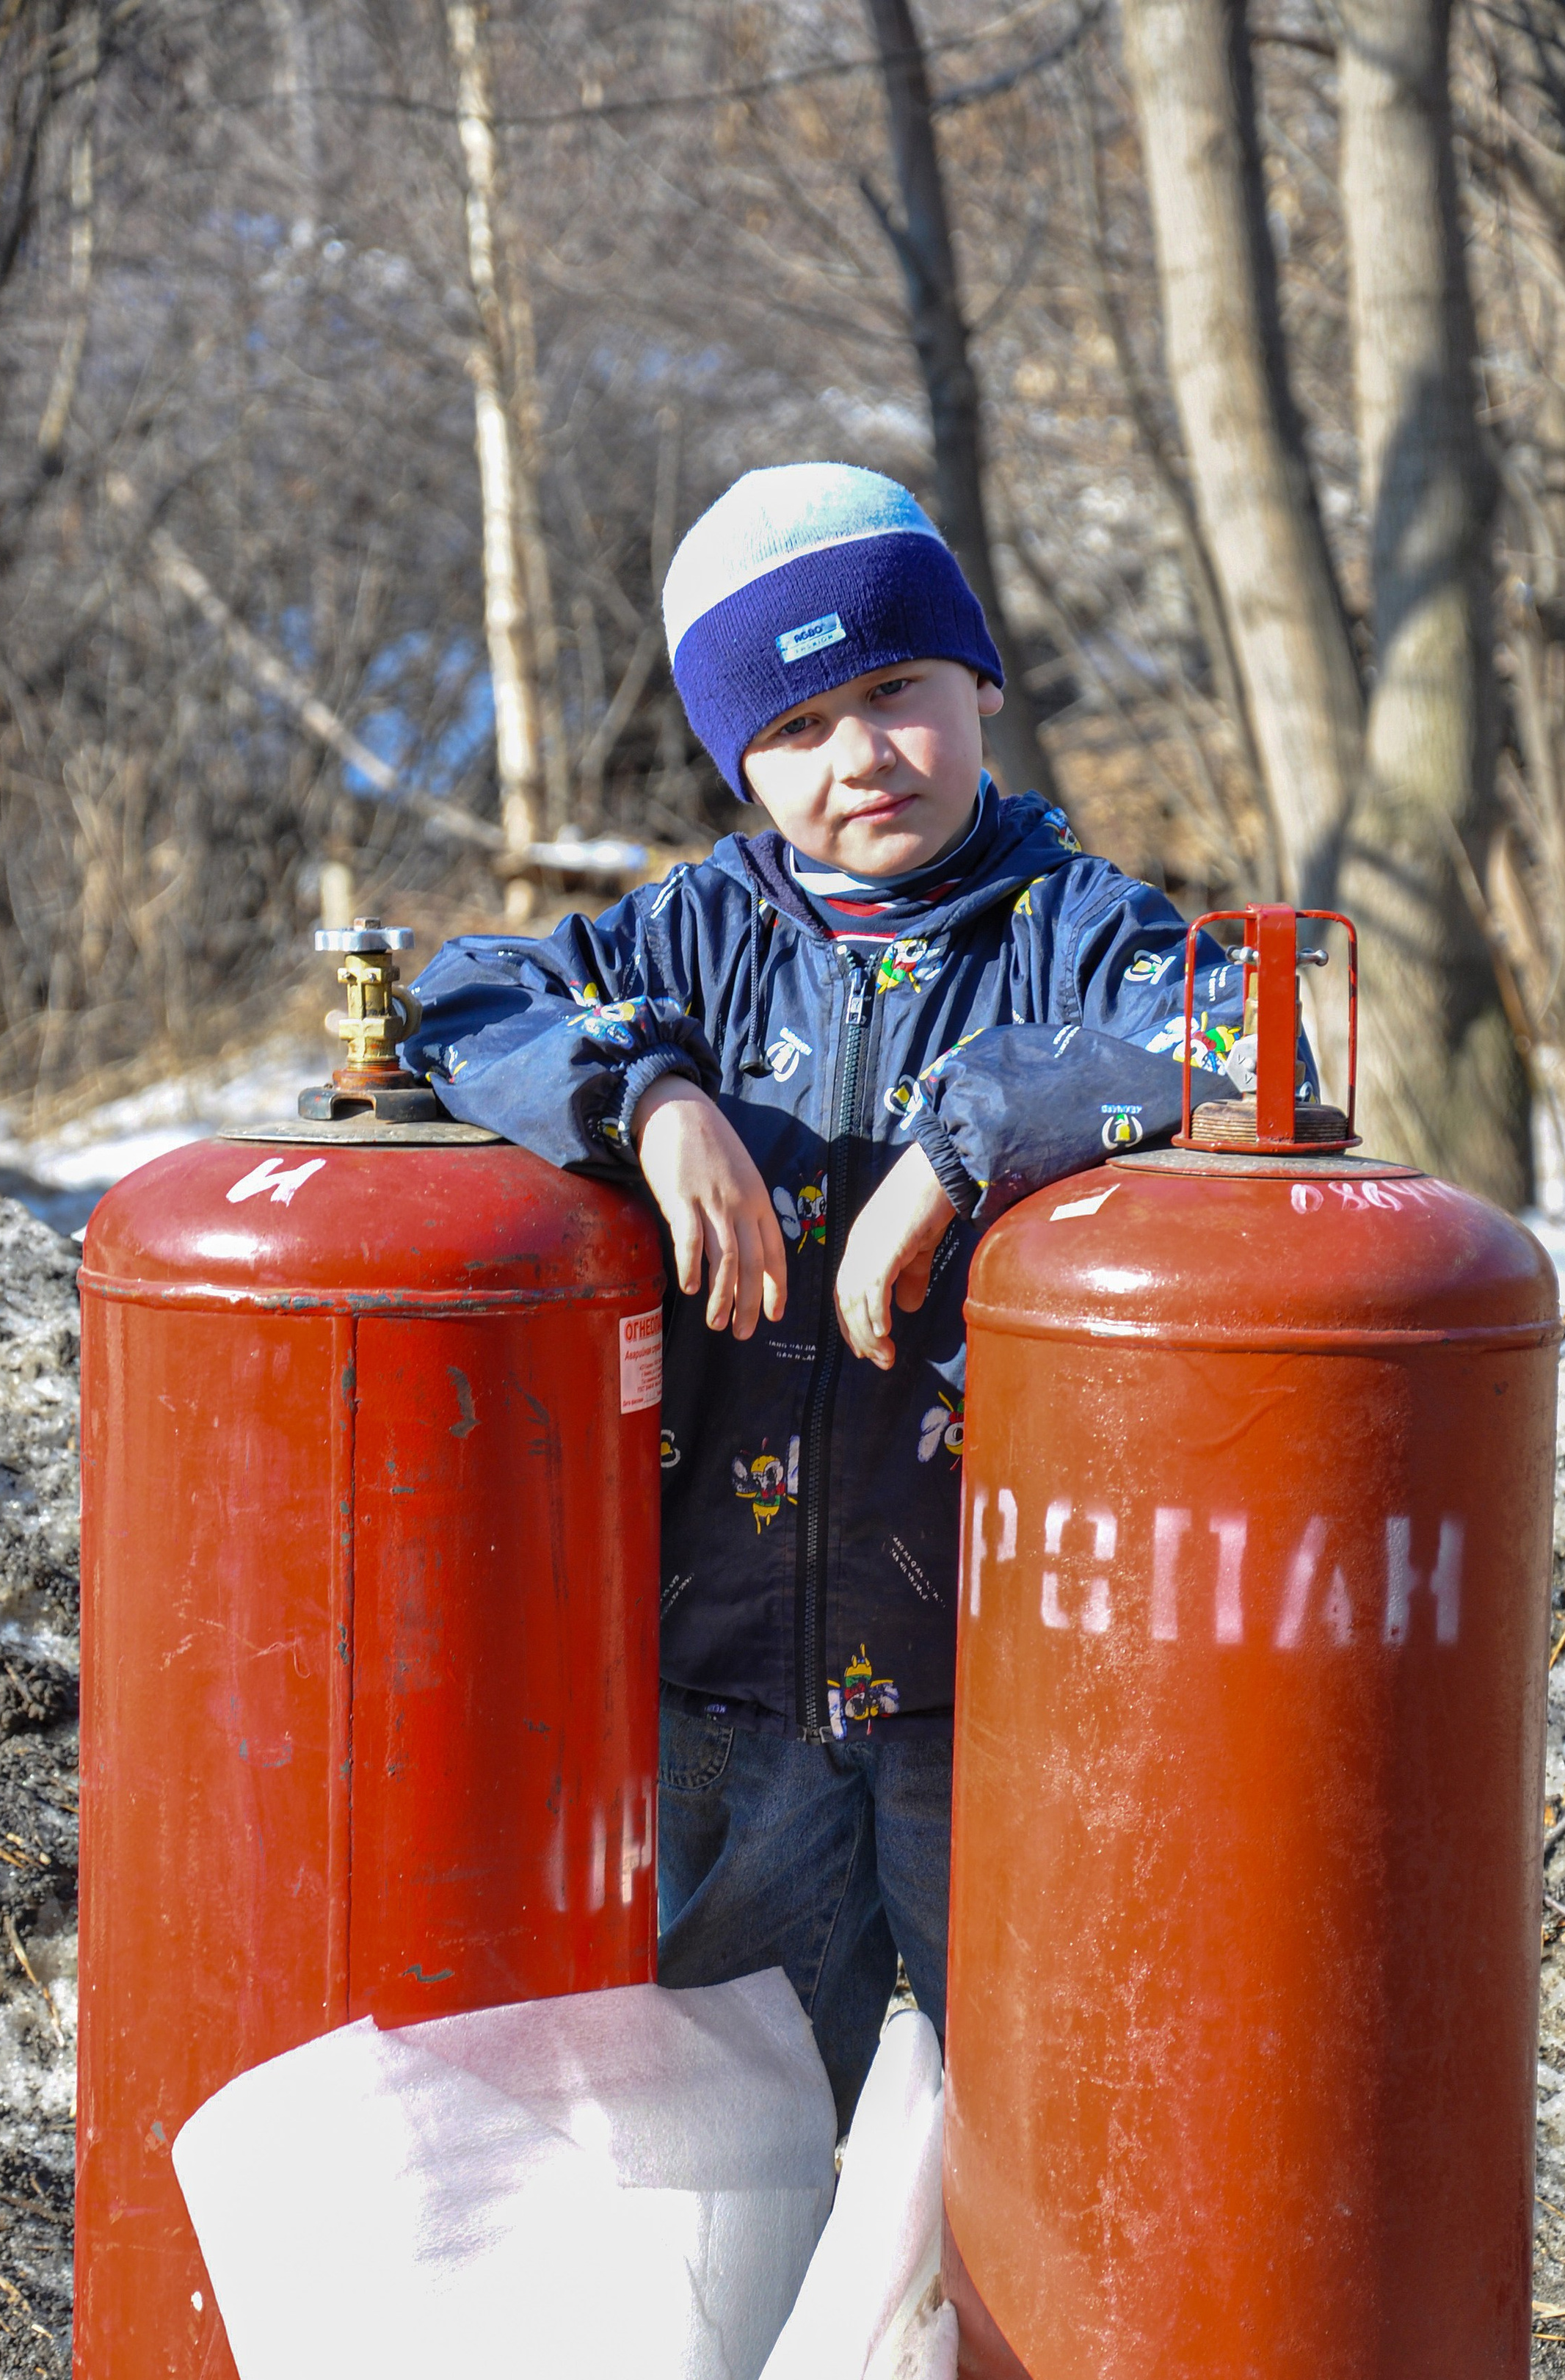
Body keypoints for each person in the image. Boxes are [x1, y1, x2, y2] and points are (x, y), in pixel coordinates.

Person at [403, 461, 1259, 2122]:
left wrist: (966, 1144)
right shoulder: (696, 939)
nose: (858, 754)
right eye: (793, 727)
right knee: (743, 2130)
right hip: (722, 1683)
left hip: (1000, 1696)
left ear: (978, 683)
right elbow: (461, 997)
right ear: (738, 758)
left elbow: (1247, 1035)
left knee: (1029, 2112)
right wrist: (650, 1101)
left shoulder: (1083, 933)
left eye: (893, 690)